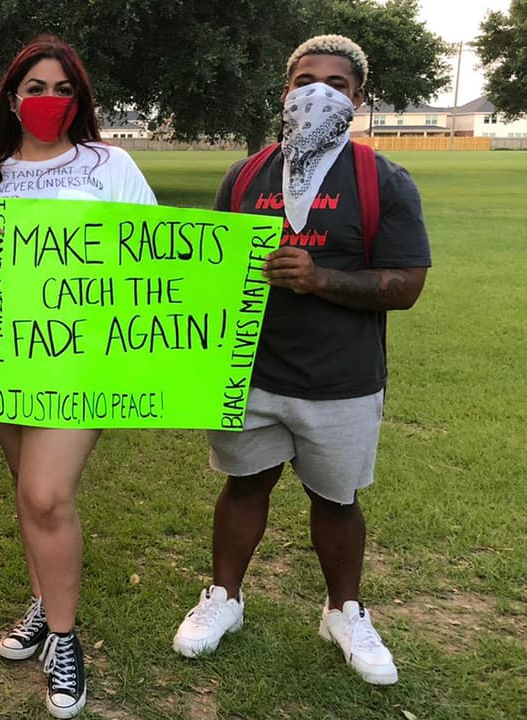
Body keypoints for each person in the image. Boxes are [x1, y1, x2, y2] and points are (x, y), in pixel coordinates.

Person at [170, 34, 430, 687]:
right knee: (244, 486)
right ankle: (223, 598)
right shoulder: (247, 174)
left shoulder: (382, 180)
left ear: (358, 99)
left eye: (336, 84)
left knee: (335, 500)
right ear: (284, 93)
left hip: (341, 381)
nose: (317, 92)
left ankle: (344, 611)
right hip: (252, 374)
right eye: (304, 79)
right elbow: (214, 269)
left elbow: (407, 285)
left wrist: (322, 280)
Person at [0, 36, 157, 719]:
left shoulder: (110, 163)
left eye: (62, 89)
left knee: (46, 493)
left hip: (81, 351)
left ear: (81, 100)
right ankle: (44, 604)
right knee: (27, 488)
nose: (49, 101)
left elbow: (151, 257)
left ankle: (65, 641)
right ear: (13, 99)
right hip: (1, 341)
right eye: (35, 88)